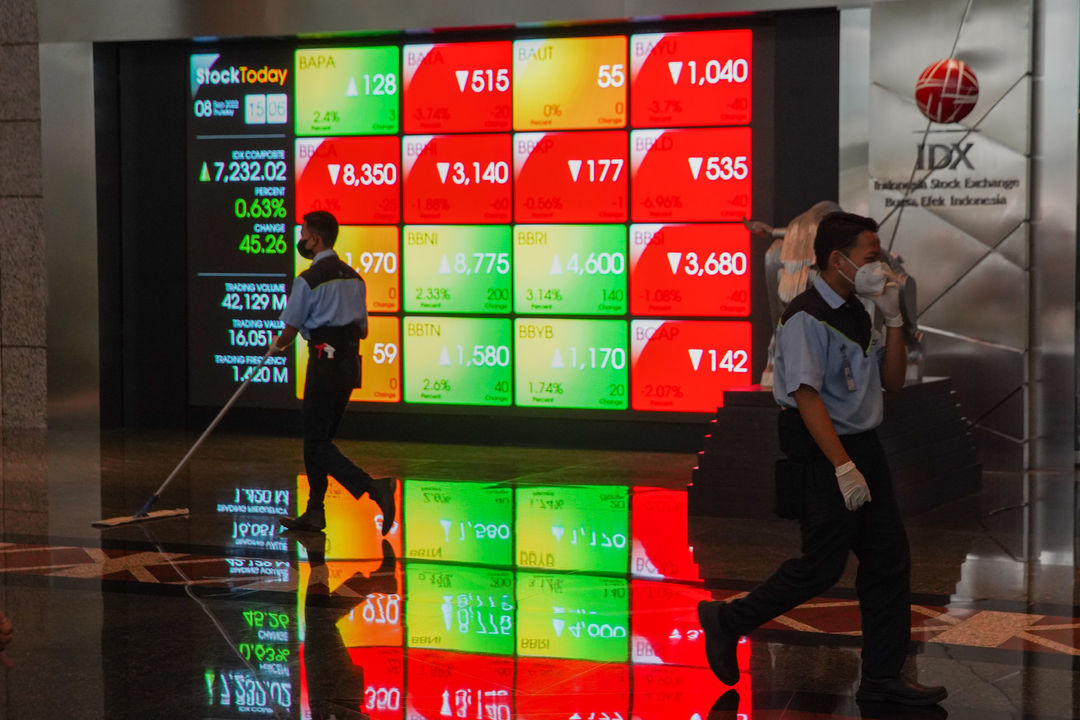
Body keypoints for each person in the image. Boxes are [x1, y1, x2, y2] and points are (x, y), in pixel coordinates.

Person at [696, 212, 947, 707]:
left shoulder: (859, 310)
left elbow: (892, 382)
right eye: (873, 258)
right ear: (838, 259)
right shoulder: (806, 317)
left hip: (862, 447)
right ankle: (727, 621)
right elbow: (807, 397)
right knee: (821, 567)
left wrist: (895, 319)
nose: (884, 268)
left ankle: (881, 678)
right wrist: (842, 466)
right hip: (825, 451)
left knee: (888, 561)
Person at [272, 210, 396, 535]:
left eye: (303, 233)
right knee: (320, 439)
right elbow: (364, 330)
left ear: (315, 238)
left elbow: (290, 328)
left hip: (323, 364)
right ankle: (315, 512)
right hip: (349, 365)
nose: (301, 240)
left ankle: (373, 487)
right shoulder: (356, 277)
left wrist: (277, 346)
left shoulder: (308, 279)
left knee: (315, 442)